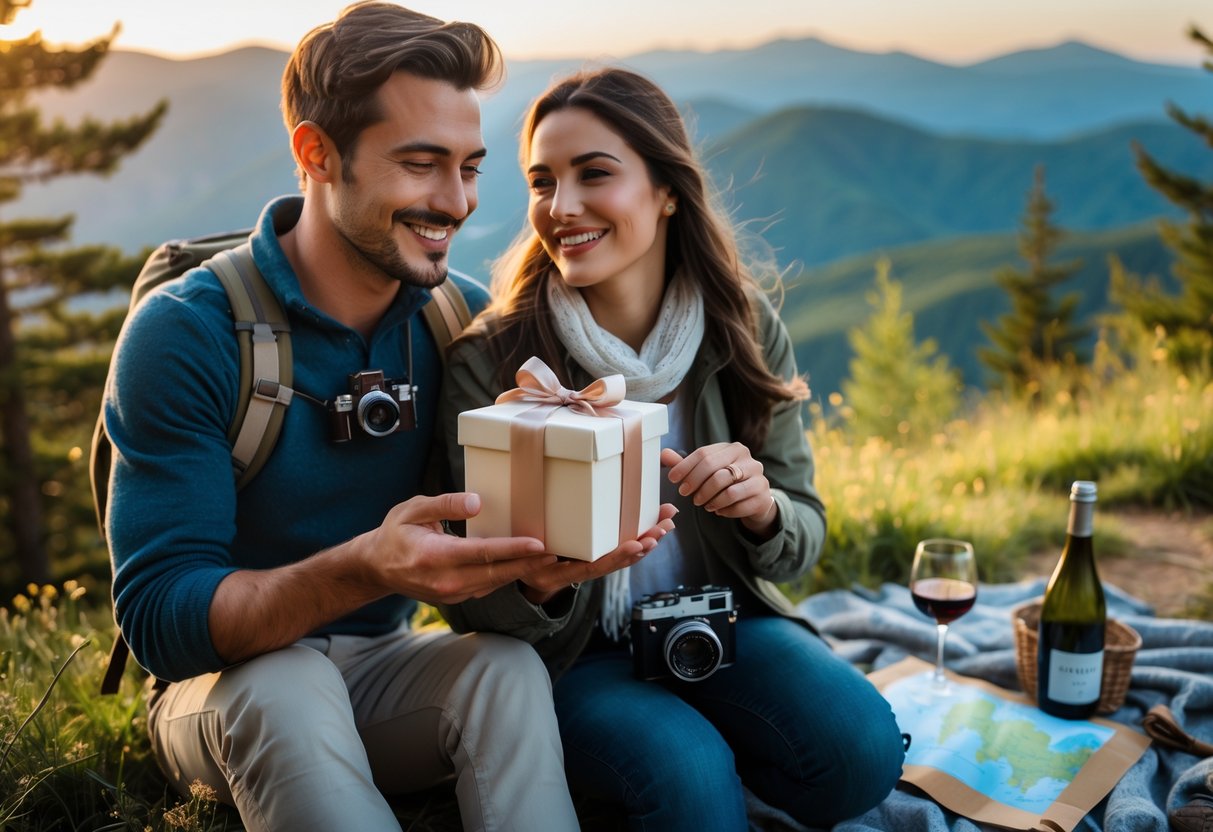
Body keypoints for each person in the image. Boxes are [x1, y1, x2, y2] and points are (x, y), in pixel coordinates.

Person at [102, 5, 673, 830]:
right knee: (286, 685)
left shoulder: (459, 325)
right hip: (218, 688)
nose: (457, 202)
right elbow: (161, 618)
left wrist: (539, 577)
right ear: (316, 153)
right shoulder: (188, 332)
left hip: (382, 665)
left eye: (471, 167)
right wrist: (366, 568)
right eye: (420, 164)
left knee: (505, 669)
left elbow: (486, 598)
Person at [439, 66, 906, 829]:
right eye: (541, 182)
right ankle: (677, 766)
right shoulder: (497, 363)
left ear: (665, 190)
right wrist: (545, 583)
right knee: (689, 781)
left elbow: (802, 539)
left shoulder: (741, 326)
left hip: (723, 622)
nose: (561, 207)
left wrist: (762, 512)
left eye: (594, 174)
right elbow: (466, 598)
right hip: (575, 657)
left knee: (859, 753)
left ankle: (694, 756)